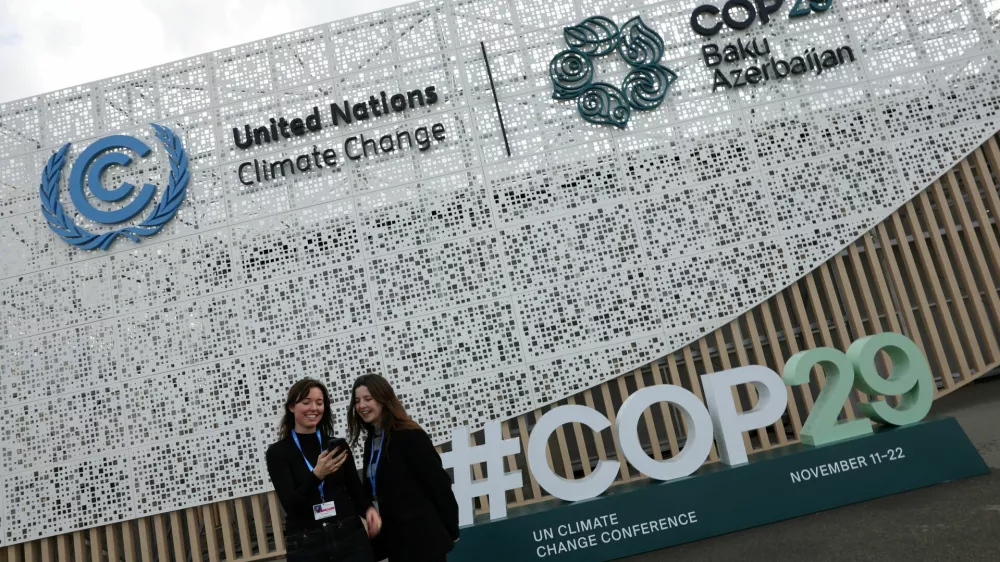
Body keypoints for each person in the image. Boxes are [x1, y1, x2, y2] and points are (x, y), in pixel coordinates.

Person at [266, 378, 382, 562]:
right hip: (307, 541)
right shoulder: (278, 453)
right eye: (306, 402)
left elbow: (355, 490)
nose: (314, 408)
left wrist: (369, 510)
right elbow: (291, 505)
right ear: (291, 407)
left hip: (349, 534)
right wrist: (317, 475)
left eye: (319, 403)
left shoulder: (337, 446)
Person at [347, 374, 460, 562]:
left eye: (368, 399)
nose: (362, 406)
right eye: (357, 401)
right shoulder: (371, 441)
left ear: (384, 399)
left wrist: (451, 528)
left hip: (422, 539)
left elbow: (439, 485)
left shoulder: (409, 435)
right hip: (394, 540)